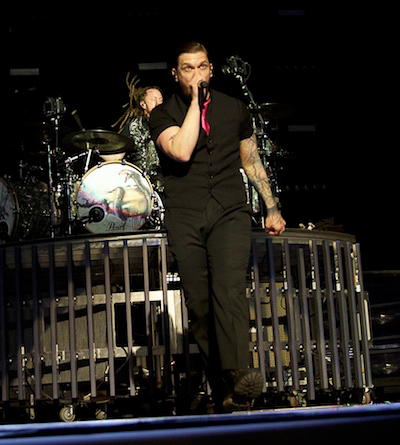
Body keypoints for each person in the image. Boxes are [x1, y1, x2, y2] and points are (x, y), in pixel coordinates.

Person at [149, 41, 285, 412]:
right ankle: (224, 385)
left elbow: (250, 159)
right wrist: (196, 103)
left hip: (229, 210)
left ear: (211, 69)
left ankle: (238, 376)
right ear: (176, 74)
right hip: (186, 214)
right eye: (187, 68)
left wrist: (271, 207)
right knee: (201, 306)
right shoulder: (163, 114)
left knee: (229, 291)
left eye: (202, 67)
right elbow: (181, 151)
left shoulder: (235, 108)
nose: (196, 75)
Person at [113, 73, 165, 180]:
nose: (158, 103)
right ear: (143, 104)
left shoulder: (168, 124)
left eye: (160, 99)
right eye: (153, 99)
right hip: (139, 181)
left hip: (165, 181)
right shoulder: (133, 126)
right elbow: (118, 155)